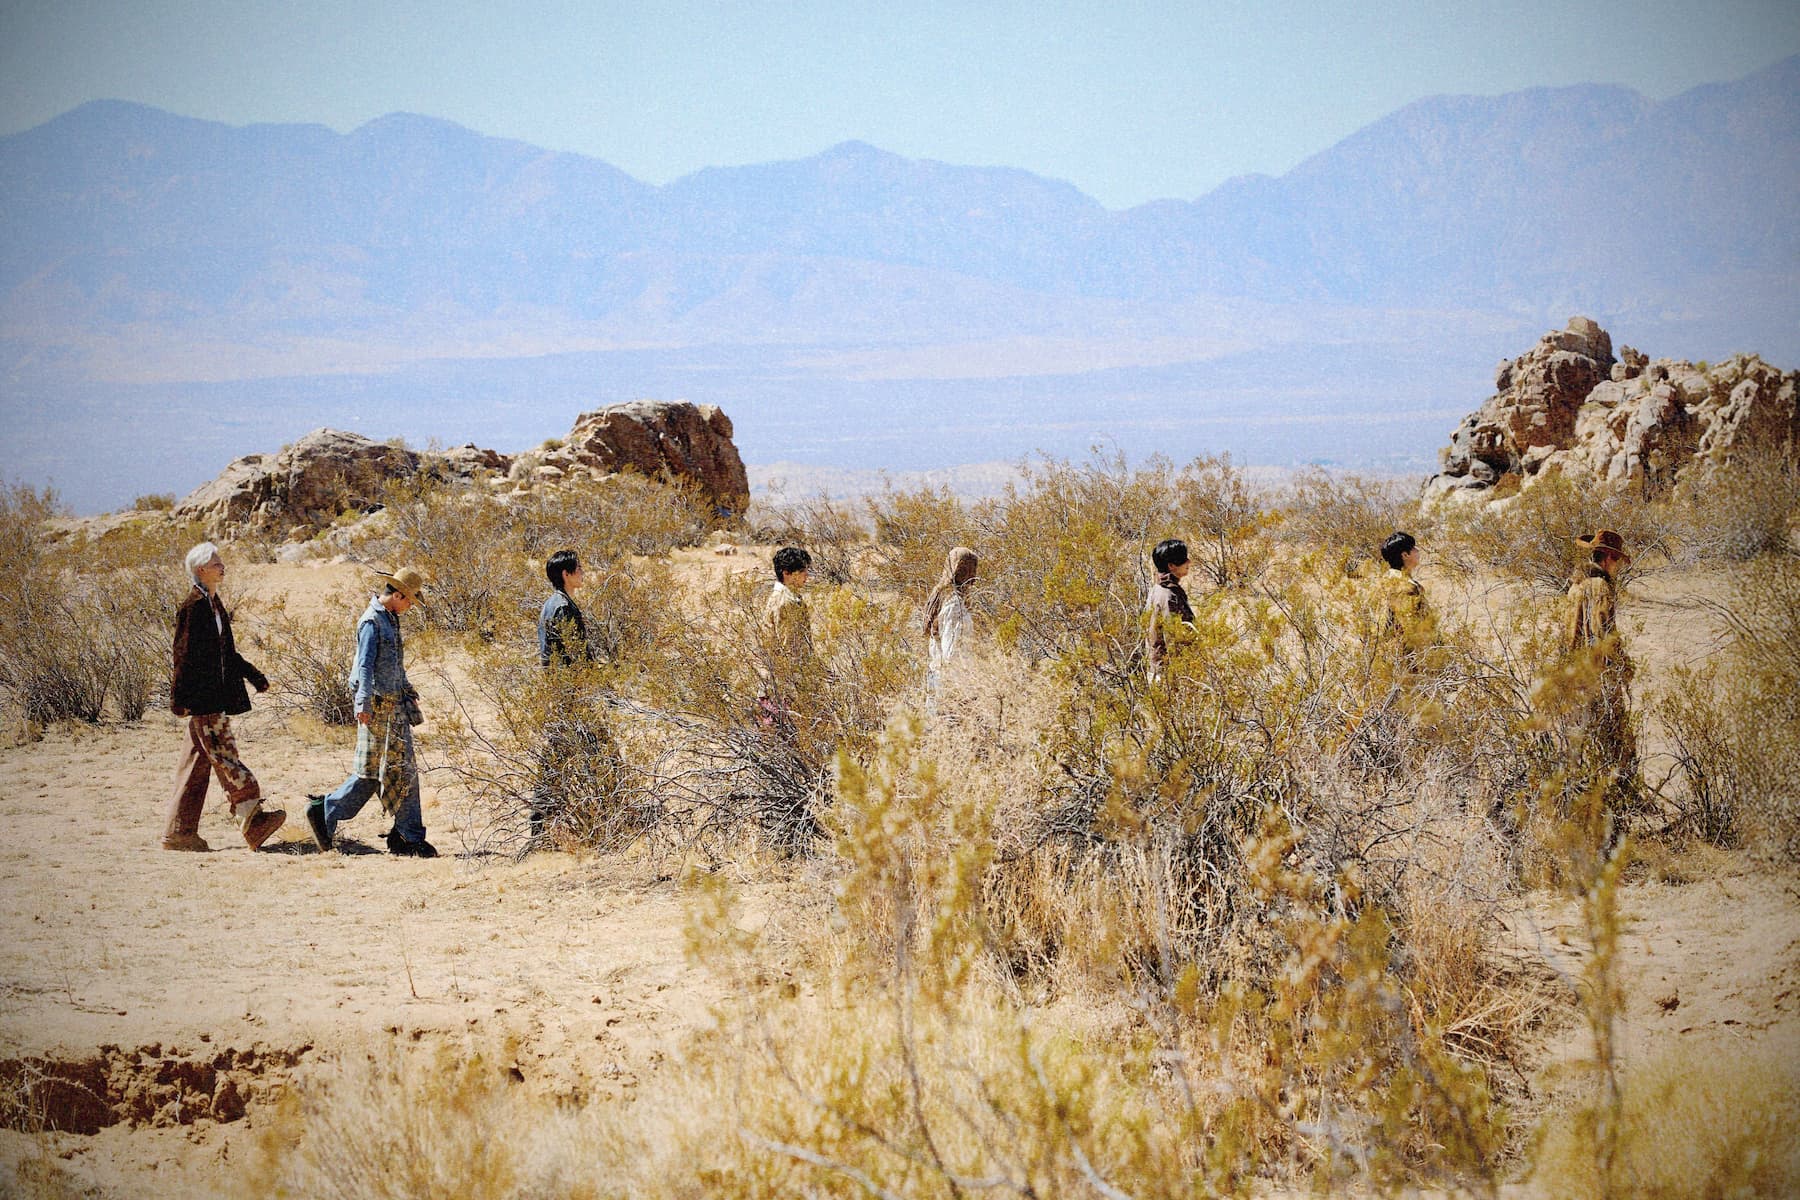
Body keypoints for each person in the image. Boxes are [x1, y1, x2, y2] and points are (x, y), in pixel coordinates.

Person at [304, 567, 437, 858]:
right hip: (377, 708)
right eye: (410, 601)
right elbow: (364, 666)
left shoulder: (390, 619)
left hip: (393, 705)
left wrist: (407, 691)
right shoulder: (371, 622)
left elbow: (394, 664)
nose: (411, 606)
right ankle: (407, 835)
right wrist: (362, 704)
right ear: (398, 595)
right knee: (388, 772)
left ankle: (329, 811)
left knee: (384, 772)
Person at [164, 542, 286, 851]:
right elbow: (183, 655)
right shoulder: (193, 606)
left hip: (213, 698)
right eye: (217, 563)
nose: (222, 566)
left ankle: (179, 834)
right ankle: (253, 822)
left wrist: (253, 675)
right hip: (205, 700)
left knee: (195, 768)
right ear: (201, 569)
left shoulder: (213, 604)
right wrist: (180, 697)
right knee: (226, 758)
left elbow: (226, 653)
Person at [1566, 528, 1637, 793]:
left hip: (1574, 670)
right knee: (1617, 734)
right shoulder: (1601, 588)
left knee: (1581, 734)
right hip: (1597, 672)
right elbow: (1602, 633)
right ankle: (1622, 793)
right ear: (1608, 557)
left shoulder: (1576, 585)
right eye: (1617, 561)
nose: (1618, 567)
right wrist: (1621, 666)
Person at [1375, 531, 1438, 663]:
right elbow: (1411, 626)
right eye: (1414, 548)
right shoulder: (1406, 587)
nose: (1417, 551)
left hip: (1384, 652)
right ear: (1405, 555)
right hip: (1407, 655)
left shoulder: (1384, 580)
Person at [923, 546, 978, 692]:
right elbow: (951, 651)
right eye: (966, 570)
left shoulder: (942, 596)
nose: (971, 576)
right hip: (951, 681)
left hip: (937, 675)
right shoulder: (954, 603)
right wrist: (960, 687)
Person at [1144, 538, 1196, 682]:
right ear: (1171, 565)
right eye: (1183, 559)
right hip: (1169, 675)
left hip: (1161, 671)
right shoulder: (1167, 595)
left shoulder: (1159, 589)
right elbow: (1172, 638)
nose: (1189, 562)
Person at [538, 549, 594, 668]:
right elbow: (575, 649)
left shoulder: (550, 603)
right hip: (568, 677)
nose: (582, 572)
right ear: (566, 574)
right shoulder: (563, 607)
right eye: (579, 568)